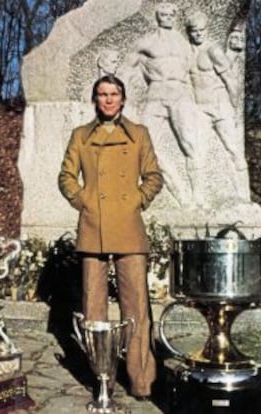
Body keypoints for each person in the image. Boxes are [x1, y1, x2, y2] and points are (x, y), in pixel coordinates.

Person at [58, 75, 163, 399]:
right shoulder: (80, 136)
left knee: (137, 311)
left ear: (122, 98)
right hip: (93, 228)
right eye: (102, 94)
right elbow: (65, 176)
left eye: (114, 94)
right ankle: (100, 377)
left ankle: (142, 381)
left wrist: (137, 200)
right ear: (95, 99)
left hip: (129, 229)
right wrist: (84, 201)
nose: (108, 100)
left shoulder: (139, 135)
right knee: (93, 310)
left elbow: (154, 177)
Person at [117, 2, 205, 207]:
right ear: (157, 17)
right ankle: (179, 189)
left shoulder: (185, 43)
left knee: (191, 144)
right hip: (156, 95)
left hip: (180, 95)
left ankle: (198, 196)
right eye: (163, 14)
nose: (168, 17)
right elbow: (125, 70)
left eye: (171, 14)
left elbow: (197, 73)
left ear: (175, 16)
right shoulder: (146, 42)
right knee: (146, 146)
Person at [186, 12, 250, 200]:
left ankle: (244, 196)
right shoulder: (187, 53)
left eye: (201, 30)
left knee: (234, 150)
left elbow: (231, 80)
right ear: (189, 32)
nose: (198, 34)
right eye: (194, 31)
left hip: (220, 107)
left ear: (207, 30)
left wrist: (234, 109)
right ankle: (197, 199)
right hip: (200, 110)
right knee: (196, 152)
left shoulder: (213, 51)